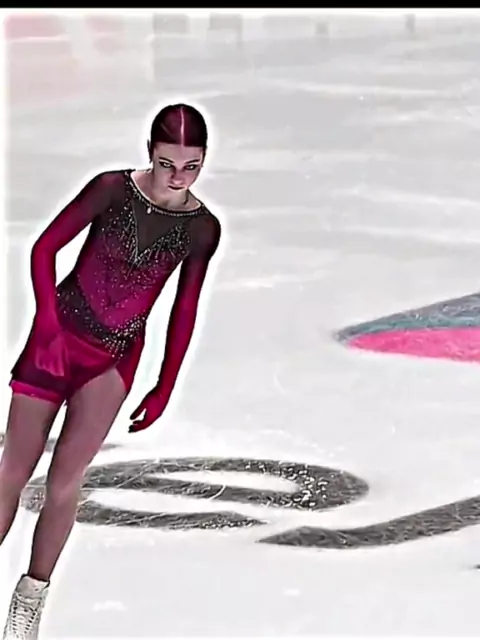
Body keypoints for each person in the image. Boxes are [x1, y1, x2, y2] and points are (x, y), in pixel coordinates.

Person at [0, 103, 222, 640]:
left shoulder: (201, 229)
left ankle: (29, 600)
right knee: (13, 470)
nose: (178, 177)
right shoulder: (111, 190)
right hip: (57, 338)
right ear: (150, 152)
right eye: (168, 164)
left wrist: (165, 384)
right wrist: (47, 325)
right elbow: (44, 249)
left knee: (65, 480)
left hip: (115, 356)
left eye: (191, 166)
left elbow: (184, 309)